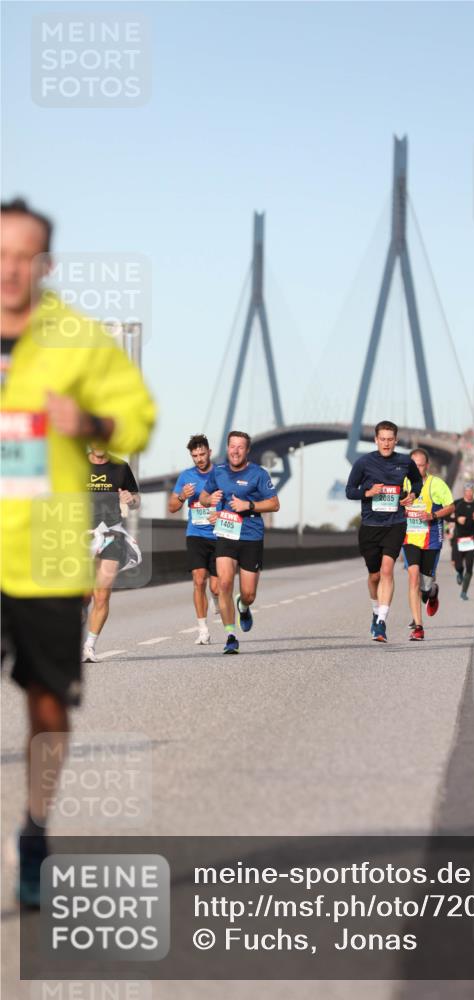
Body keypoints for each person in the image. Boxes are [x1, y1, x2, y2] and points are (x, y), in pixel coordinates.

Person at [0, 198, 155, 906]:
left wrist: (88, 419)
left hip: (48, 552)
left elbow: (138, 420)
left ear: (46, 265)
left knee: (46, 706)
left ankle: (36, 828)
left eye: (23, 257)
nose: (9, 270)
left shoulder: (77, 338)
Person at [199, 431, 279, 654]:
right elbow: (204, 497)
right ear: (227, 448)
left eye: (240, 447)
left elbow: (274, 504)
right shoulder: (219, 472)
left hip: (251, 534)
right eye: (232, 446)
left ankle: (243, 606)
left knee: (249, 594)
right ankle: (230, 635)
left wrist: (249, 506)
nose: (235, 451)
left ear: (247, 451)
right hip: (226, 532)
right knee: (224, 582)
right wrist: (210, 499)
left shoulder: (259, 474)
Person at [345, 420, 422, 642]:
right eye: (383, 439)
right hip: (370, 525)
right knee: (374, 575)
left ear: (395, 441)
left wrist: (412, 495)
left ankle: (381, 622)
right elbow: (350, 491)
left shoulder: (405, 462)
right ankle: (375, 610)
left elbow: (417, 483)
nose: (386, 444)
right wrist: (368, 492)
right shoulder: (363, 463)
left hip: (395, 523)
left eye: (390, 440)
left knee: (387, 570)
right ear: (376, 440)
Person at [82, 447, 141, 662]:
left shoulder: (120, 467)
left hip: (111, 533)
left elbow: (135, 501)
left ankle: (90, 646)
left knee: (102, 593)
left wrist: (130, 499)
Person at [168, 434, 220, 645]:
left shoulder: (222, 473)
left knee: (216, 587)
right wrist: (182, 496)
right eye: (194, 455)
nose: (199, 458)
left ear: (209, 452)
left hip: (220, 533)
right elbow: (172, 507)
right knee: (199, 581)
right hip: (196, 534)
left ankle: (217, 598)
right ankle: (203, 630)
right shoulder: (186, 476)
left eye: (202, 454)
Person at [402, 449, 454, 640]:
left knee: (425, 585)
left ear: (427, 466)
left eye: (421, 465)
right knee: (413, 578)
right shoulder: (404, 483)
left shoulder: (436, 484)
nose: (417, 468)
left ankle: (432, 592)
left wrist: (433, 515)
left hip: (431, 539)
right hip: (409, 538)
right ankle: (418, 627)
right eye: (413, 465)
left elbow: (450, 506)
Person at [448, 482, 474, 601]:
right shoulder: (457, 504)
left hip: (471, 540)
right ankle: (459, 572)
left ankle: (464, 592)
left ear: (473, 492)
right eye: (467, 491)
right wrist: (457, 519)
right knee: (458, 565)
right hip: (458, 539)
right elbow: (447, 516)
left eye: (471, 491)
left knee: (470, 566)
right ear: (464, 492)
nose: (469, 493)